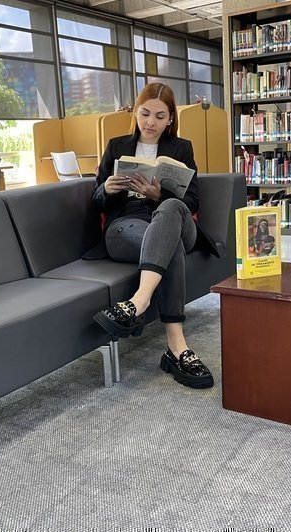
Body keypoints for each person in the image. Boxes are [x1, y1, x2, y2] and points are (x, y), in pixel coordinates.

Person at [91, 82, 218, 389]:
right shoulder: (116, 145)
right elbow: (96, 201)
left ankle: (138, 302)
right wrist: (105, 189)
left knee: (172, 207)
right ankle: (177, 347)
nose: (150, 122)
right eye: (145, 113)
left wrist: (158, 194)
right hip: (127, 226)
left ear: (170, 119)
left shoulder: (181, 148)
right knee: (167, 243)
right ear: (136, 112)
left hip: (172, 218)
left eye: (159, 116)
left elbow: (193, 201)